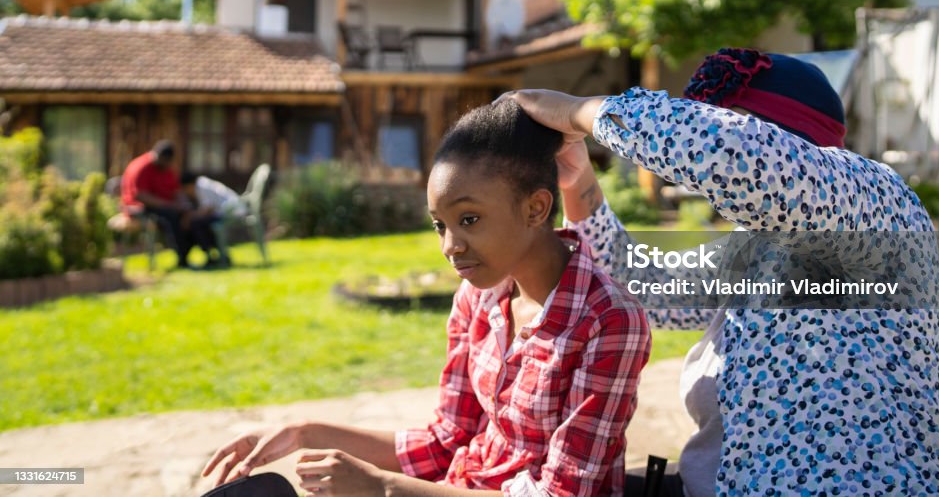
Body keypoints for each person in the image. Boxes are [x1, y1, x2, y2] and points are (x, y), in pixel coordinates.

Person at [507, 47, 939, 496]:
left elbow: (728, 150)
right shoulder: (758, 252)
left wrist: (578, 111)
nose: (708, 188)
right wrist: (579, 180)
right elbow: (647, 288)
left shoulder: (876, 201)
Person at [201, 100, 652, 496]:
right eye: (440, 224)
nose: (450, 245)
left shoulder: (608, 321)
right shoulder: (478, 299)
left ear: (535, 208)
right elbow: (446, 440)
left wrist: (384, 489)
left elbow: (562, 495)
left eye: (469, 219)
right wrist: (305, 433)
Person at [121, 140, 216, 269]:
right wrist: (169, 205)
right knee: (171, 218)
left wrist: (184, 206)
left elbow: (176, 191)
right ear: (157, 155)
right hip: (139, 207)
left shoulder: (167, 168)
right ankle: (182, 258)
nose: (166, 165)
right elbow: (140, 196)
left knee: (192, 216)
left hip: (167, 207)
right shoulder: (141, 167)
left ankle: (209, 252)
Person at [181, 172, 246, 268]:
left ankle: (211, 255)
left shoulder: (201, 186)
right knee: (200, 225)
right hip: (229, 211)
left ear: (189, 185)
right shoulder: (202, 183)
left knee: (196, 224)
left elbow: (208, 209)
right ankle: (216, 254)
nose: (187, 193)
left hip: (231, 212)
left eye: (185, 189)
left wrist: (189, 217)